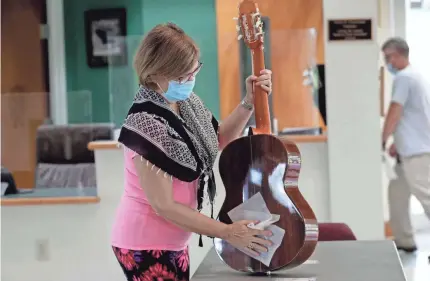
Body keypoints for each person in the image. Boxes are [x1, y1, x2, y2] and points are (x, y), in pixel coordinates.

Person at [111, 23, 274, 281]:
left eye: (193, 71)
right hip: (146, 242)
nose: (189, 80)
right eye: (180, 77)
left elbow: (216, 138)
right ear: (154, 74)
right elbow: (164, 205)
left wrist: (248, 103)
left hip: (173, 241)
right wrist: (227, 232)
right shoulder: (146, 124)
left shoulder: (185, 103)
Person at [381, 37, 430, 253]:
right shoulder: (414, 76)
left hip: (417, 152)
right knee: (397, 195)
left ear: (399, 55)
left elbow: (395, 111)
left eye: (388, 56)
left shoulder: (404, 77)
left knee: (427, 198)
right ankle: (405, 241)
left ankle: (405, 240)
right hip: (407, 150)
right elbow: (409, 116)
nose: (387, 62)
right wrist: (396, 143)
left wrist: (383, 138)